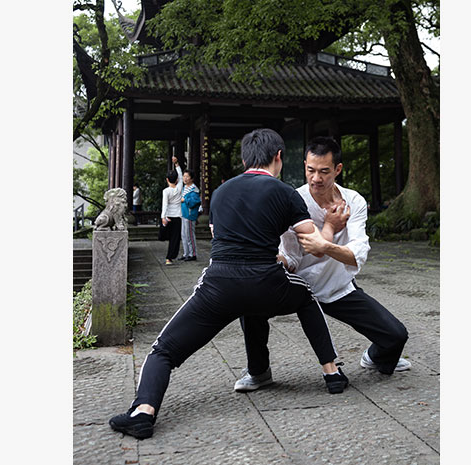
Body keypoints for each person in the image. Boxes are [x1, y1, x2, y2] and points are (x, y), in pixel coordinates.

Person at [109, 129, 348, 440]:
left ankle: (143, 411)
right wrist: (330, 225)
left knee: (163, 350)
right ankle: (331, 373)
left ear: (245, 159)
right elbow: (314, 245)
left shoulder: (220, 194)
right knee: (304, 295)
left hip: (219, 286)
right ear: (278, 157)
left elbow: (228, 238)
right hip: (267, 283)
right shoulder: (285, 193)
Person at [234, 136, 409, 393]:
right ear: (304, 165)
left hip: (336, 285)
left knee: (396, 336)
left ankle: (374, 357)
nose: (316, 178)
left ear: (337, 170)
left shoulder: (354, 202)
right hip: (297, 289)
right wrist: (275, 261)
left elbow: (358, 254)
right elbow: (292, 256)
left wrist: (325, 245)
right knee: (249, 305)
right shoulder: (291, 199)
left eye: (324, 171)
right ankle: (259, 371)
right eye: (310, 170)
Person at [159, 156, 183, 265]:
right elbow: (181, 177)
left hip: (168, 216)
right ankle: (170, 257)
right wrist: (176, 164)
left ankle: (169, 257)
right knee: (175, 238)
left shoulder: (166, 191)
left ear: (167, 179)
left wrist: (163, 217)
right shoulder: (179, 188)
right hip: (178, 216)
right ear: (176, 180)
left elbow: (165, 204)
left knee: (166, 236)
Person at [178, 168, 201, 261]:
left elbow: (195, 201)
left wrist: (185, 200)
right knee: (183, 235)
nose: (185, 178)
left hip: (190, 215)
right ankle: (186, 253)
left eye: (187, 176)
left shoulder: (194, 189)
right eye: (184, 176)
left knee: (190, 235)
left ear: (191, 178)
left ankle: (193, 254)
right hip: (184, 214)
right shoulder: (184, 188)